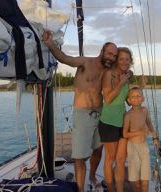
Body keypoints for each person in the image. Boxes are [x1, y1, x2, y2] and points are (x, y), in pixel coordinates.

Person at [43, 31, 118, 192]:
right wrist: (50, 44)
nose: (112, 57)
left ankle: (92, 177)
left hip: (100, 113)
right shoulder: (86, 62)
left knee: (98, 149)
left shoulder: (108, 70)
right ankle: (80, 189)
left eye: (114, 55)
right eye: (110, 53)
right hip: (82, 114)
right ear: (102, 51)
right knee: (79, 157)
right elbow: (64, 58)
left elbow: (123, 71)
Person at [98, 47, 133, 192]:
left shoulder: (127, 75)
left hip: (123, 123)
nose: (124, 61)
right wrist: (121, 82)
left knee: (120, 160)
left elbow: (129, 102)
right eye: (121, 58)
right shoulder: (109, 74)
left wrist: (140, 86)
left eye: (127, 59)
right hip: (108, 122)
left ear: (130, 61)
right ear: (117, 60)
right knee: (110, 158)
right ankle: (111, 189)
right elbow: (108, 98)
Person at [123, 87, 159, 192]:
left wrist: (155, 137)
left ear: (142, 98)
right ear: (129, 100)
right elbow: (125, 134)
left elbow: (149, 124)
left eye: (139, 96)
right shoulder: (128, 115)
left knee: (145, 178)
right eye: (133, 97)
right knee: (136, 180)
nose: (136, 98)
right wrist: (140, 132)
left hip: (144, 147)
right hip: (132, 148)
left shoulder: (145, 110)